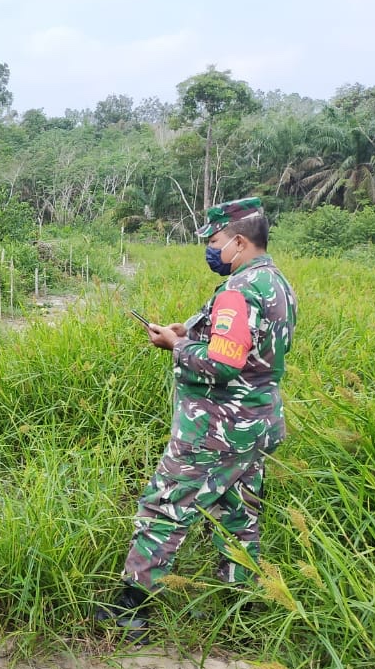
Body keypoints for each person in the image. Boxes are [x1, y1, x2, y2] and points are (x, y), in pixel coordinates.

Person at [98, 197, 297, 642]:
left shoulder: (236, 291)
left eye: (215, 241)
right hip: (258, 422)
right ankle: (241, 613)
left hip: (216, 428)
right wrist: (189, 331)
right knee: (238, 514)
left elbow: (224, 361)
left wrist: (176, 347)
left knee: (165, 505)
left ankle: (131, 610)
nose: (211, 249)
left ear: (239, 241)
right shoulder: (275, 282)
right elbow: (247, 340)